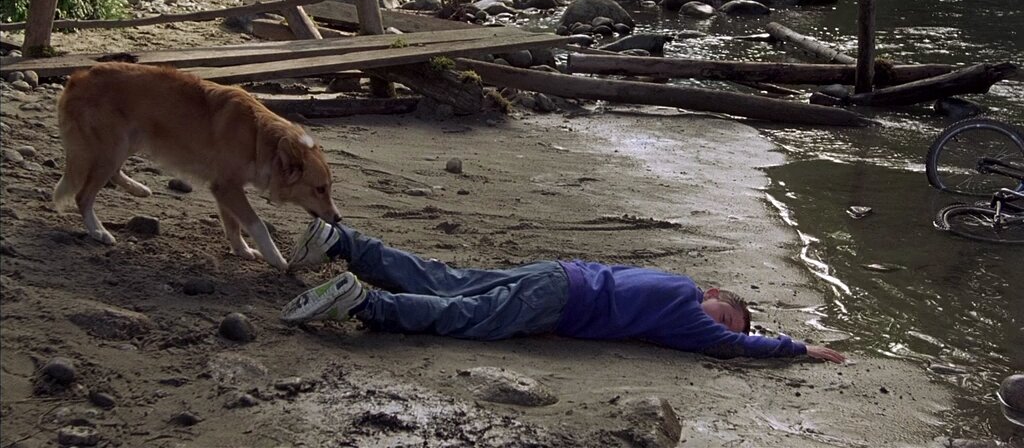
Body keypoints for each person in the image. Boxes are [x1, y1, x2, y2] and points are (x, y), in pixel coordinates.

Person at [280, 219, 846, 363]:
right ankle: (365, 302)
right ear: (714, 294)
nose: (719, 326)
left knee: (449, 279)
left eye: (724, 323)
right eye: (725, 315)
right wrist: (800, 347)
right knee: (465, 315)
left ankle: (345, 242)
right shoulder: (688, 311)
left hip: (558, 274)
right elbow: (736, 346)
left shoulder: (673, 282)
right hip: (561, 298)